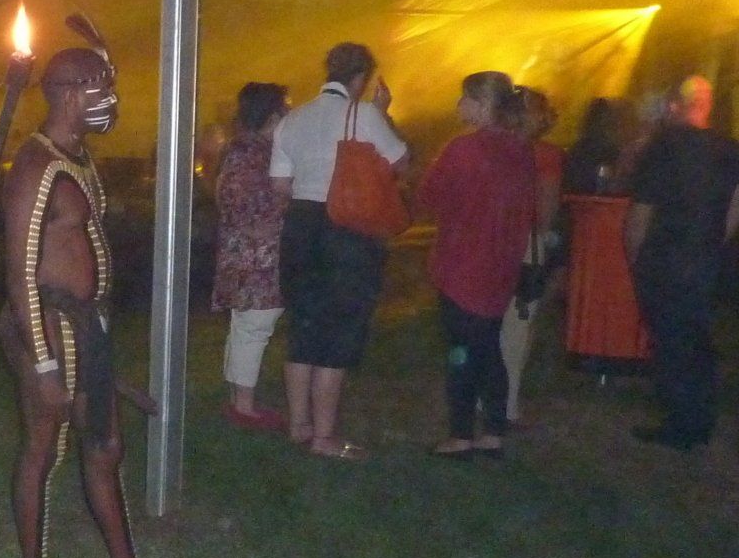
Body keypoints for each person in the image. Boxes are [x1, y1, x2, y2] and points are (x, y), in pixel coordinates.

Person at [0, 43, 189, 558]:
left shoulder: (76, 159)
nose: (111, 100)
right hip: (48, 327)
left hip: (84, 326)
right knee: (44, 450)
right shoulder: (36, 165)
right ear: (69, 94)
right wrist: (43, 362)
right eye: (101, 89)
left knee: (105, 447)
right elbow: (19, 271)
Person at [270, 41, 410, 459]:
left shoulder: (292, 120)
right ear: (361, 78)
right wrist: (383, 115)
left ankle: (299, 425)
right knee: (340, 327)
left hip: (300, 226)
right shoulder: (364, 114)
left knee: (303, 324)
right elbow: (401, 164)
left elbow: (280, 184)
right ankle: (325, 437)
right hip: (347, 228)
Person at [415, 73, 537, 457]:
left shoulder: (463, 149)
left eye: (464, 98)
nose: (458, 106)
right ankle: (494, 430)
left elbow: (429, 196)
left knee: (462, 351)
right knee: (488, 345)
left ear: (482, 105)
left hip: (462, 264)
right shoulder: (520, 151)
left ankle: (461, 434)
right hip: (501, 264)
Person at [624, 75, 739, 450]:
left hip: (665, 256)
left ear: (675, 105)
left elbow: (642, 210)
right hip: (704, 258)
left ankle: (680, 423)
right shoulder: (728, 149)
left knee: (670, 340)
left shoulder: (663, 147)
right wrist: (717, 240)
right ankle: (700, 418)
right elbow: (735, 205)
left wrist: (634, 253)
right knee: (698, 340)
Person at [211, 82, 291, 430]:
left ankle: (237, 399)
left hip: (244, 255)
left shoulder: (241, 150)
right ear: (271, 116)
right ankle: (243, 406)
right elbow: (249, 212)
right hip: (256, 259)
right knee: (255, 327)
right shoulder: (253, 155)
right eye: (284, 109)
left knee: (244, 326)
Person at [498, 87, 565, 425]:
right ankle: (506, 401)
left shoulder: (491, 148)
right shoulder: (547, 155)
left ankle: (482, 394)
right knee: (519, 324)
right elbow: (547, 209)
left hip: (491, 241)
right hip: (526, 244)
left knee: (488, 321)